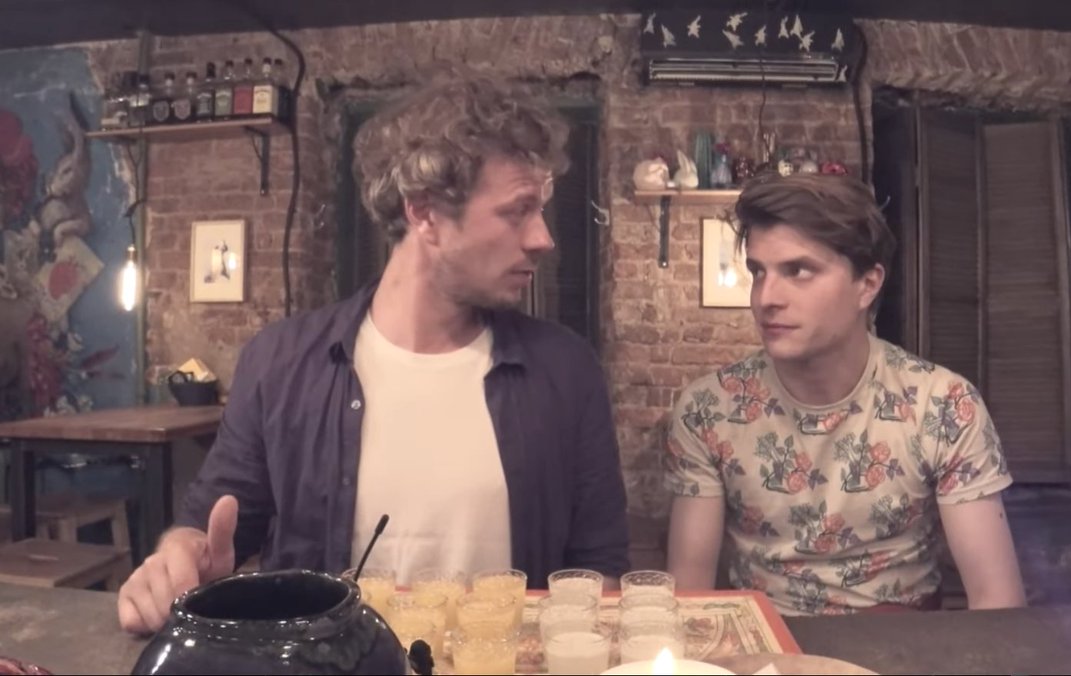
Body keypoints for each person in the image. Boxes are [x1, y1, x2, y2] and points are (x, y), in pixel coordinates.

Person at [118, 75, 630, 634]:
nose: (542, 238)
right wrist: (178, 558)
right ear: (425, 212)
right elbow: (209, 527)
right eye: (518, 211)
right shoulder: (280, 363)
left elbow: (599, 572)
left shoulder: (566, 370)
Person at [664, 172, 1025, 615]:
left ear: (867, 285)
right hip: (767, 640)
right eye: (758, 272)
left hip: (906, 641)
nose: (766, 298)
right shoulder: (708, 409)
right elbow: (689, 597)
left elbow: (998, 603)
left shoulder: (944, 405)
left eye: (798, 271)